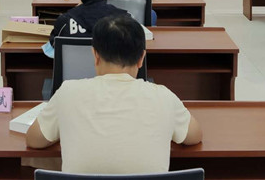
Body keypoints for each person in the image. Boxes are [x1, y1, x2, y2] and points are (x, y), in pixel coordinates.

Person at [27, 14, 202, 173]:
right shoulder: (164, 97)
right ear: (141, 58)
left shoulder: (68, 93)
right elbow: (194, 136)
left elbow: (34, 140)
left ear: (95, 55)